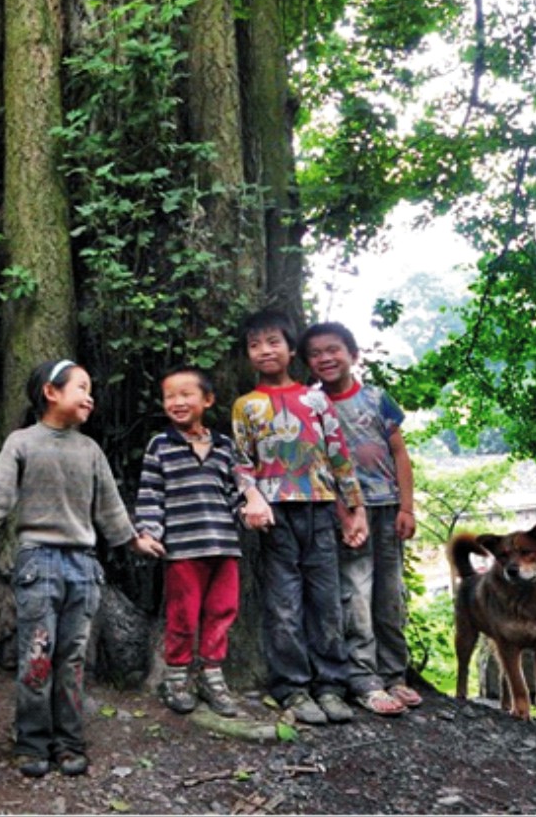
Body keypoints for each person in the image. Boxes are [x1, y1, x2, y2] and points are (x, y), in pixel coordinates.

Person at [0, 359, 160, 779]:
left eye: (90, 388)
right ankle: (32, 742)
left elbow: (110, 506)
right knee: (37, 656)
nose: (89, 396)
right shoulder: (22, 443)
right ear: (50, 392)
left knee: (74, 658)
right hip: (37, 565)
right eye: (81, 386)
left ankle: (70, 742)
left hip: (84, 567)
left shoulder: (90, 450)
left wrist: (134, 539)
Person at [230, 310, 367, 727]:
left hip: (320, 507)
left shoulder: (316, 398)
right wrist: (251, 496)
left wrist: (354, 510)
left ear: (292, 349)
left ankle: (331, 685)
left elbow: (339, 455)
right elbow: (241, 461)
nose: (264, 350)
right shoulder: (246, 405)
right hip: (274, 515)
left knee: (325, 602)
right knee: (284, 603)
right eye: (255, 344)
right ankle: (292, 688)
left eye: (273, 341)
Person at [133, 366, 273, 718]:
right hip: (182, 550)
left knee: (222, 612)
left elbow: (232, 494)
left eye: (186, 394)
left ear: (207, 400)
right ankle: (177, 677)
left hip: (223, 546)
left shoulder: (225, 447)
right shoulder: (160, 445)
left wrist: (249, 512)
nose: (177, 402)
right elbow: (151, 494)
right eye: (170, 397)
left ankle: (212, 675)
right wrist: (149, 532)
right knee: (182, 615)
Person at [299, 321, 421, 716]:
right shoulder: (312, 405)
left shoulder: (378, 399)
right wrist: (345, 512)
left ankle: (394, 674)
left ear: (353, 355)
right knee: (356, 595)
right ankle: (364, 679)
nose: (325, 358)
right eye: (315, 354)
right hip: (347, 512)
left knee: (390, 595)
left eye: (333, 349)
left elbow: (400, 453)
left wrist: (407, 507)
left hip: (387, 507)